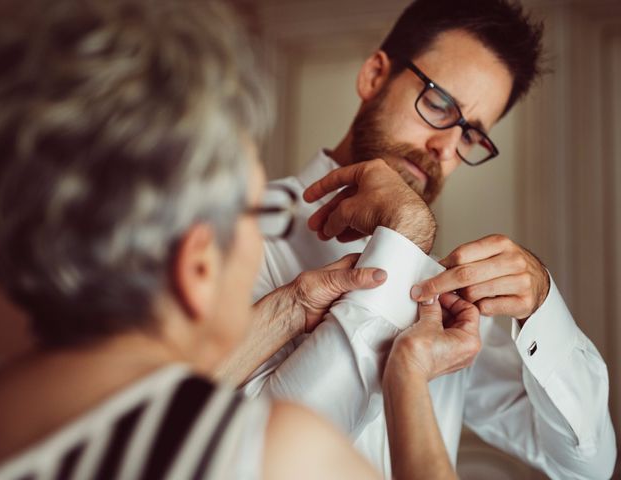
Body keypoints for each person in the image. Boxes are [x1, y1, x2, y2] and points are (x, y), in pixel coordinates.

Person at [0, 0, 481, 479]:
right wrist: (408, 375)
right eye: (259, 208)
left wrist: (289, 307)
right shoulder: (269, 450)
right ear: (198, 265)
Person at [241, 0, 617, 478]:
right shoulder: (234, 232)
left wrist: (543, 302)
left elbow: (588, 464)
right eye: (439, 104)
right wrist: (403, 240)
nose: (445, 147)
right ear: (374, 76)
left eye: (471, 136)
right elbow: (244, 457)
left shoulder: (446, 299)